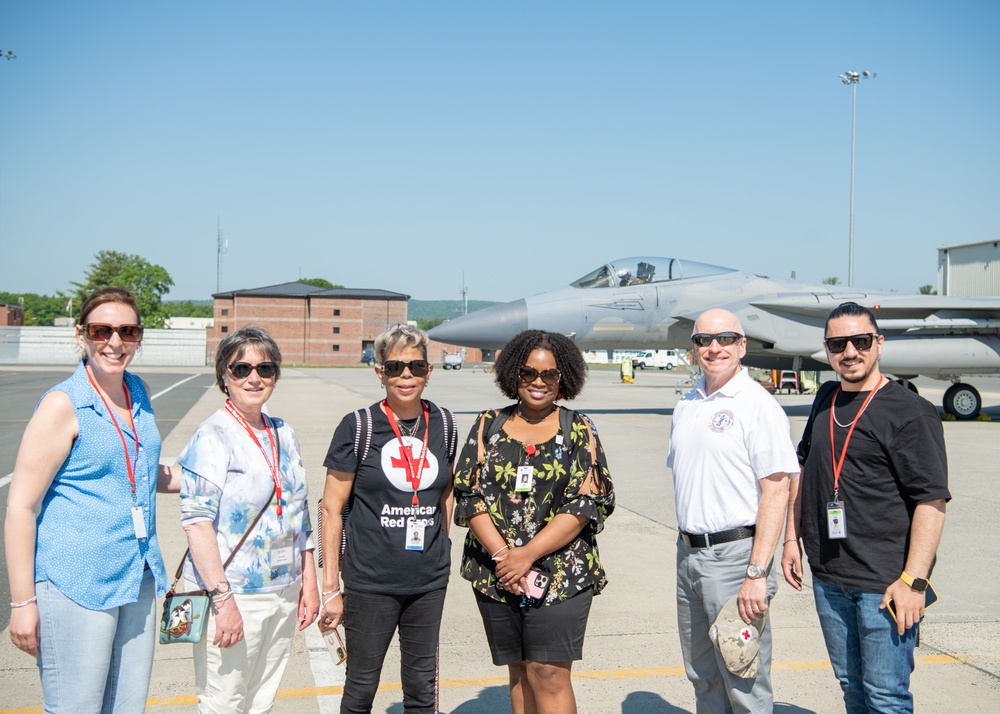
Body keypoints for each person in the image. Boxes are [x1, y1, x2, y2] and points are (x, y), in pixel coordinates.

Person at [5, 286, 180, 713]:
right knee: (76, 707)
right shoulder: (63, 404)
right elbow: (20, 507)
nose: (115, 343)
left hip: (136, 574)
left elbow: (136, 471)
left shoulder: (138, 391)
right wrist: (21, 602)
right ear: (82, 335)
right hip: (76, 579)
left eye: (128, 331)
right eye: (103, 331)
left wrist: (206, 477)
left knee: (126, 706)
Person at [782, 302, 950, 713]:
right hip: (829, 577)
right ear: (827, 349)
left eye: (860, 341)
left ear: (879, 344)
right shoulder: (826, 397)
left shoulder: (909, 411)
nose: (850, 352)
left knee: (886, 697)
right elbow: (803, 468)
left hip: (885, 584)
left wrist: (913, 582)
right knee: (852, 689)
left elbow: (932, 501)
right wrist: (792, 537)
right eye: (838, 343)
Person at [453, 329, 615, 714]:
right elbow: (468, 494)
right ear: (514, 375)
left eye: (549, 375)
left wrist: (526, 555)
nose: (538, 382)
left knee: (549, 673)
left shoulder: (578, 429)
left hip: (561, 572)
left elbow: (585, 504)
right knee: (521, 671)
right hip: (498, 573)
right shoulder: (487, 424)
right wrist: (504, 556)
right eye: (528, 373)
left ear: (564, 379)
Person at [318, 323, 457, 714]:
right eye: (395, 367)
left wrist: (442, 547)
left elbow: (445, 492)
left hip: (427, 582)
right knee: (362, 684)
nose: (406, 375)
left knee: (421, 686)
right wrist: (331, 586)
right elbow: (331, 508)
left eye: (415, 366)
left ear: (429, 371)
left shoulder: (445, 424)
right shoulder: (358, 426)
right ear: (380, 372)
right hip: (369, 582)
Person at [178, 325, 319, 713]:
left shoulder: (283, 432)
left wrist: (309, 582)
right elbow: (196, 524)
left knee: (260, 700)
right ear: (224, 376)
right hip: (234, 591)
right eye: (241, 369)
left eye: (265, 368)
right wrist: (224, 602)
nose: (253, 377)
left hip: (283, 589)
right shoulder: (213, 435)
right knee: (224, 701)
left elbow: (298, 512)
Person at [666, 308, 799, 713]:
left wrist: (757, 573)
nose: (714, 347)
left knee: (743, 681)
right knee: (702, 675)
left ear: (742, 346)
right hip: (689, 555)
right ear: (693, 350)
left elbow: (777, 490)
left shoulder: (757, 404)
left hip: (736, 557)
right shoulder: (687, 405)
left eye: (725, 338)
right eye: (704, 340)